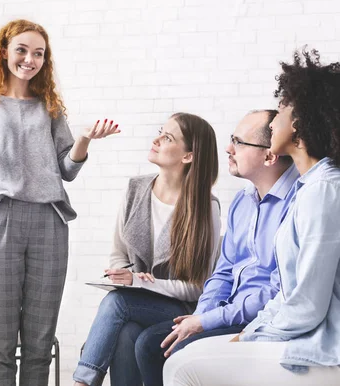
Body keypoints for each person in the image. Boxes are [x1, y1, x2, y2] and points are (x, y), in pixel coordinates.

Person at [0, 19, 119, 386]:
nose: (30, 59)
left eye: (38, 53)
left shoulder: (50, 107)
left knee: (39, 341)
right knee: (1, 343)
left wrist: (84, 138)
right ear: (4, 52)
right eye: (22, 50)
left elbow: (67, 170)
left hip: (48, 221)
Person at [163, 48, 340, 386]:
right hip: (296, 334)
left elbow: (307, 305)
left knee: (183, 366)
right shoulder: (308, 188)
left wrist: (249, 336)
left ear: (301, 123)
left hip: (323, 347)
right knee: (179, 358)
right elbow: (287, 294)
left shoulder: (324, 191)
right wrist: (250, 331)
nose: (275, 119)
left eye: (284, 109)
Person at [132, 109, 299, 386]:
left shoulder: (296, 205)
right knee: (141, 337)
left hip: (259, 320)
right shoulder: (242, 202)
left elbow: (275, 291)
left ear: (269, 156)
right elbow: (222, 273)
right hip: (227, 311)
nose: (229, 148)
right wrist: (201, 316)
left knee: (153, 344)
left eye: (239, 142)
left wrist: (207, 321)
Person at [72, 112, 221, 386]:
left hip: (180, 308)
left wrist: (143, 284)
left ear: (188, 156)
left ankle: (82, 382)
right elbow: (118, 253)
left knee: (117, 303)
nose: (156, 140)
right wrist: (125, 275)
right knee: (127, 333)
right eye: (160, 132)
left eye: (167, 137)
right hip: (135, 303)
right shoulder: (135, 188)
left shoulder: (206, 207)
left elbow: (198, 287)